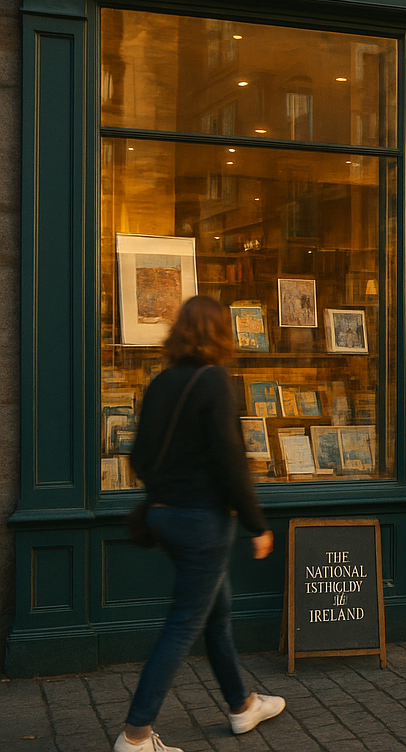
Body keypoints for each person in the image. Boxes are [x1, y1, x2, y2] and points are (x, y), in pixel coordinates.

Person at [118, 296, 284, 752]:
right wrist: (257, 525)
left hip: (164, 515)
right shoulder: (214, 381)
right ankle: (135, 736)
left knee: (216, 613)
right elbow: (232, 464)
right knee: (183, 625)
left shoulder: (161, 381)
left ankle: (242, 705)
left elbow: (139, 458)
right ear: (219, 332)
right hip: (202, 524)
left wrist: (167, 490)